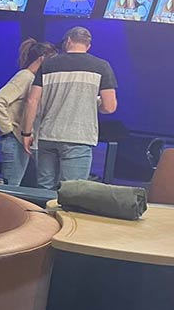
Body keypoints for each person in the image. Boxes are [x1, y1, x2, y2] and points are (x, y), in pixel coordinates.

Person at [20, 25, 118, 192]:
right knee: (72, 191)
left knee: (44, 189)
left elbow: (32, 101)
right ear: (88, 46)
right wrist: (94, 103)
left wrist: (27, 133)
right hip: (79, 137)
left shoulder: (48, 65)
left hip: (48, 136)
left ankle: (44, 218)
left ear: (68, 42)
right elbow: (109, 107)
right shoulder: (102, 66)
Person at [0, 39, 55, 187]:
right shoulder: (25, 77)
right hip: (14, 141)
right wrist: (8, 130)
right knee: (10, 188)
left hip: (19, 141)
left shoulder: (33, 78)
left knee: (14, 186)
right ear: (42, 58)